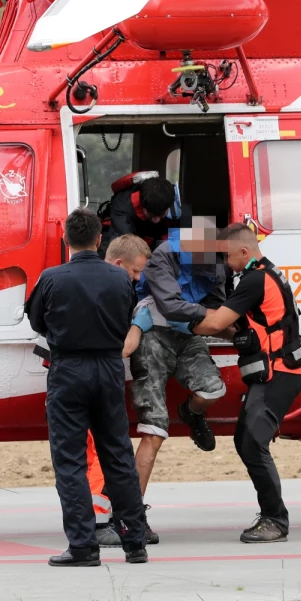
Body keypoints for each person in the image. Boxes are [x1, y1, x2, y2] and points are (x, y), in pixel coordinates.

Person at [27, 208, 148, 567]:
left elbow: (36, 321)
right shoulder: (120, 279)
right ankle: (135, 543)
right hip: (109, 369)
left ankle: (82, 546)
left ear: (65, 239)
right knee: (118, 456)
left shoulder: (51, 278)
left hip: (68, 370)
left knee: (70, 460)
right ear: (99, 240)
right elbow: (126, 317)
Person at [97, 217, 227, 548]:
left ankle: (191, 413)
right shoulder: (162, 258)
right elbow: (170, 306)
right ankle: (129, 519)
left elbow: (217, 304)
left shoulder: (214, 264)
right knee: (153, 431)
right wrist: (208, 319)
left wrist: (211, 321)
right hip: (151, 338)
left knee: (213, 389)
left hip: (185, 334)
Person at [193, 223, 301, 544]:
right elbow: (236, 329)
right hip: (274, 373)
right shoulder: (261, 274)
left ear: (244, 252)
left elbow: (216, 323)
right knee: (244, 440)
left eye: (227, 257)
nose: (225, 264)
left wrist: (177, 315)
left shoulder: (256, 280)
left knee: (253, 443)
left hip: (280, 374)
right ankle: (271, 514)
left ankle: (275, 520)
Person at [82, 234, 153, 533]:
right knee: (104, 449)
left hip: (70, 379)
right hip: (98, 380)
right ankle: (100, 519)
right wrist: (137, 327)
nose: (137, 279)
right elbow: (119, 348)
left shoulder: (74, 280)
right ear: (119, 263)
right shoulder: (113, 290)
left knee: (85, 452)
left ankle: (87, 518)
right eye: (135, 272)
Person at [98, 173, 177, 257]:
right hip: (124, 237)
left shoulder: (174, 202)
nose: (156, 220)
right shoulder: (122, 208)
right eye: (150, 214)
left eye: (161, 214)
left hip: (155, 240)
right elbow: (127, 245)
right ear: (141, 205)